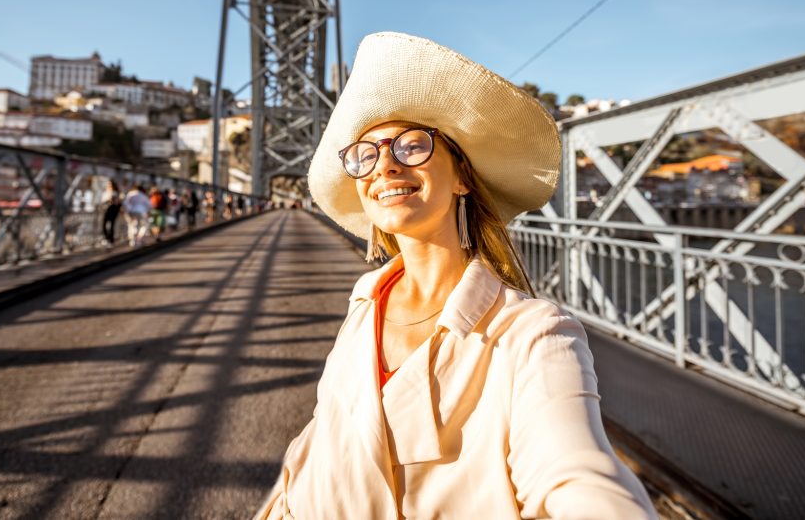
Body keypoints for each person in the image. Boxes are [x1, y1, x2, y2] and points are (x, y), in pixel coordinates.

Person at [257, 32, 655, 519]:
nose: (384, 165)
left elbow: (577, 475)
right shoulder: (364, 303)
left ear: (462, 177)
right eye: (365, 154)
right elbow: (321, 443)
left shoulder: (534, 333)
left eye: (411, 146)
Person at [101, 179, 122, 245]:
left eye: (110, 185)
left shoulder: (116, 193)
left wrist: (113, 200)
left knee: (111, 225)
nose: (109, 186)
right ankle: (107, 238)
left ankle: (110, 239)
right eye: (108, 185)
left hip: (112, 210)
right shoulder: (106, 192)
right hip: (106, 209)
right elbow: (102, 201)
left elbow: (118, 202)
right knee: (104, 224)